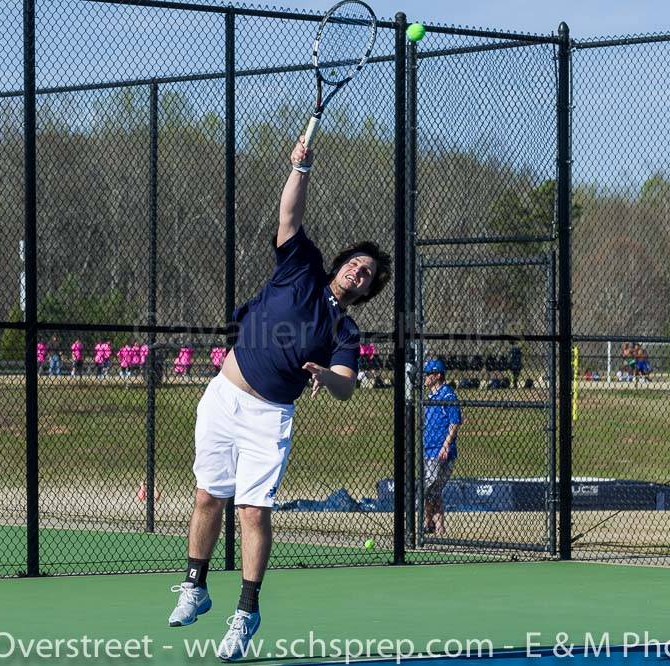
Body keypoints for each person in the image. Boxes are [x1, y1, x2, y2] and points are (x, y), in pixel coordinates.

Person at [167, 137, 392, 661]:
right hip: (223, 395)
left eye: (367, 275)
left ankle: (246, 611)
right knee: (206, 497)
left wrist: (325, 376)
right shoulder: (301, 266)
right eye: (356, 263)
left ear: (366, 290)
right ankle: (195, 587)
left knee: (251, 512)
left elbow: (345, 385)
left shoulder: (345, 329)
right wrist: (301, 166)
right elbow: (289, 212)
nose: (358, 272)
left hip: (269, 417)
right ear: (341, 263)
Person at [422, 359, 462, 536]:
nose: (425, 378)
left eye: (428, 374)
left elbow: (455, 421)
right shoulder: (431, 397)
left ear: (437, 375)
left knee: (430, 487)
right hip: (428, 449)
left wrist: (446, 445)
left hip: (441, 450)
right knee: (432, 489)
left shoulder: (447, 394)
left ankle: (428, 522)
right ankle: (436, 527)